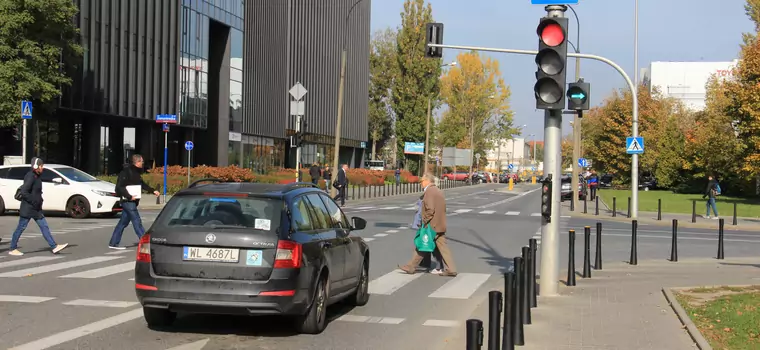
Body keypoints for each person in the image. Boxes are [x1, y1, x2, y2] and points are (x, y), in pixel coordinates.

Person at [398, 173, 457, 277]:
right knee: (443, 248)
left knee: (422, 244)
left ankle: (411, 266)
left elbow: (430, 209)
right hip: (440, 224)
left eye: (422, 181)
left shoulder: (429, 192)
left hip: (431, 225)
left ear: (427, 181)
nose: (421, 183)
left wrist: (425, 221)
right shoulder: (438, 191)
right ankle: (451, 269)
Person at [7, 157, 69, 256]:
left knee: (44, 226)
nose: (42, 168)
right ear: (36, 166)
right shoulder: (30, 176)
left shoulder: (36, 176)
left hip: (35, 209)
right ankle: (12, 248)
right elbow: (24, 191)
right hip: (28, 208)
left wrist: (38, 200)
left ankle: (54, 246)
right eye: (41, 166)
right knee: (21, 228)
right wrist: (34, 201)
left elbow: (35, 191)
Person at [108, 154, 160, 250]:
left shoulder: (136, 173)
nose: (143, 163)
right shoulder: (126, 172)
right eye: (142, 161)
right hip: (128, 201)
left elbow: (142, 185)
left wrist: (153, 190)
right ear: (137, 162)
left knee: (122, 223)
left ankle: (113, 243)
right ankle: (146, 243)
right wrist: (129, 196)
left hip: (133, 201)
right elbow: (119, 188)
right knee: (137, 222)